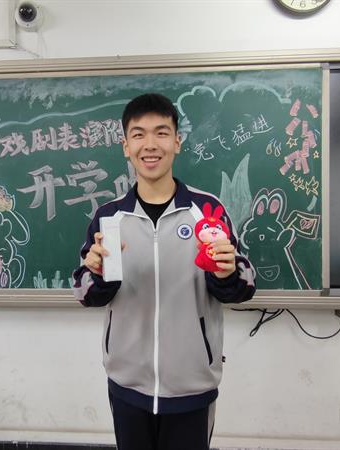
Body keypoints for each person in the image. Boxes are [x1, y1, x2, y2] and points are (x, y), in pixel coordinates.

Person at [72, 93, 256, 450]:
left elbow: (243, 286)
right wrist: (97, 272)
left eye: (161, 132)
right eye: (138, 134)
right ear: (126, 147)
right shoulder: (109, 217)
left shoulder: (207, 210)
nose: (150, 145)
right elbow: (84, 293)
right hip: (127, 384)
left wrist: (226, 272)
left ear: (177, 142)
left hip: (192, 385)